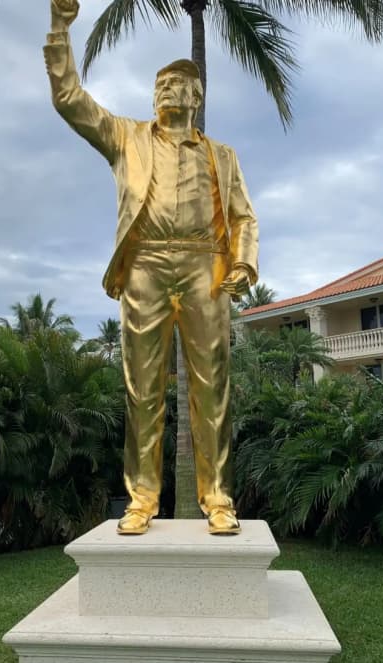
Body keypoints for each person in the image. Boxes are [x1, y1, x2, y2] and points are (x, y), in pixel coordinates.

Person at [46, 0, 258, 535]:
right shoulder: (126, 138)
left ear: (196, 96)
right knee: (142, 388)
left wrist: (242, 264)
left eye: (177, 83)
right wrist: (60, 30)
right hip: (144, 266)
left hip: (205, 267)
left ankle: (218, 498)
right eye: (160, 83)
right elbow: (70, 99)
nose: (166, 89)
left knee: (212, 389)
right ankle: (141, 497)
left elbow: (243, 217)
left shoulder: (223, 155)